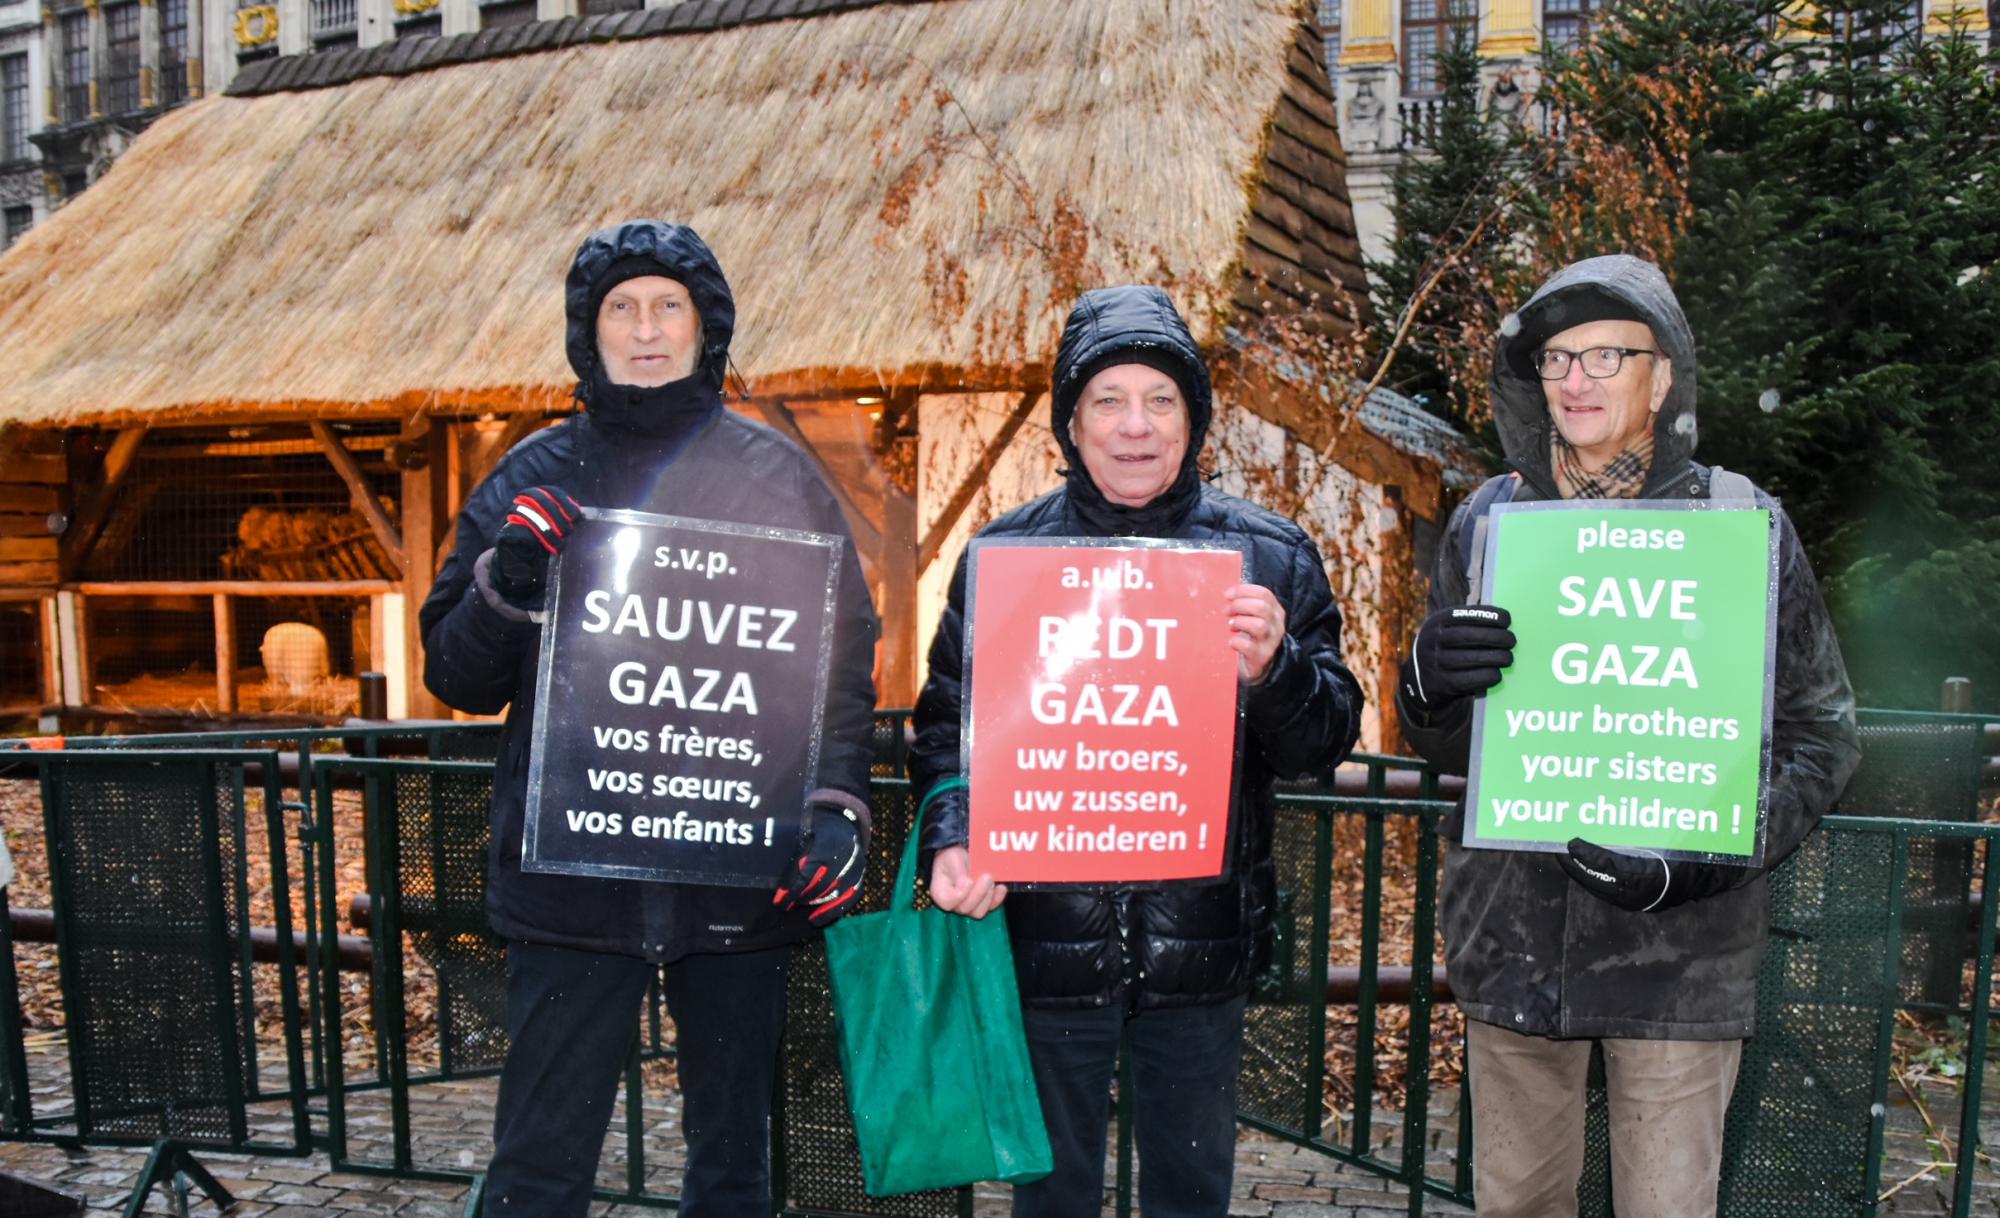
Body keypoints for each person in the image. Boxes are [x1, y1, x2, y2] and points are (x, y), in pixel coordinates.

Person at [420, 220, 879, 1218]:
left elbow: (839, 661)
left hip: (733, 882)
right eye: (619, 308)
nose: (643, 329)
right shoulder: (527, 476)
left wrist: (838, 800)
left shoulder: (777, 477)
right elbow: (451, 672)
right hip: (573, 886)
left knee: (733, 1168)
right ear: (588, 333)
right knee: (539, 1163)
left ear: (703, 327)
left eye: (666, 306)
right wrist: (509, 582)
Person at [1395, 254, 1859, 1218]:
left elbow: (1822, 735)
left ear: (1664, 376)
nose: (1576, 380)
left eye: (1609, 355)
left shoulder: (1740, 525)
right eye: (1559, 358)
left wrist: (1709, 851)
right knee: (1517, 1204)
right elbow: (1451, 753)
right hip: (1516, 950)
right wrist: (1426, 688)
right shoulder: (1489, 522)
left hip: (1678, 960)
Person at [908, 285, 1364, 1218]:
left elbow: (1322, 743)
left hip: (1200, 952)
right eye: (1107, 400)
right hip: (1044, 941)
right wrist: (954, 833)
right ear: (1071, 423)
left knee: (1190, 1197)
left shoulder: (1269, 557)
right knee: (1052, 1201)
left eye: (1161, 400)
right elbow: (947, 726)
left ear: (1193, 420)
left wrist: (1275, 668)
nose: (1135, 426)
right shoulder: (1004, 556)